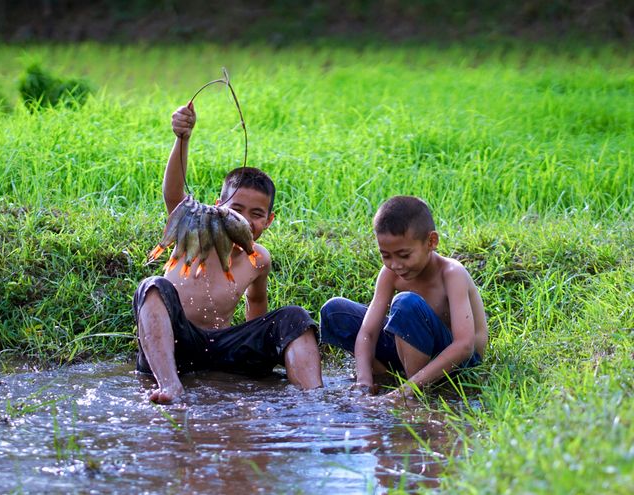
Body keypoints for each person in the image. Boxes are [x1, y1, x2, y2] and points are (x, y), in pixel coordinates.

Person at [134, 102, 323, 403]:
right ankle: (169, 384)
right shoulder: (198, 231)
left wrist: (257, 343)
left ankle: (313, 398)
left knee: (294, 317)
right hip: (177, 345)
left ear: (269, 220)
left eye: (256, 213)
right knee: (152, 286)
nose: (245, 220)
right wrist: (182, 138)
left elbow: (257, 306)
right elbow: (173, 194)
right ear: (216, 207)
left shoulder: (258, 258)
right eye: (236, 209)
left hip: (221, 349)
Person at [320, 195, 487, 401]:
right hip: (410, 351)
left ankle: (413, 392)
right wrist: (363, 381)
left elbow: (464, 345)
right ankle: (388, 378)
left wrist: (406, 390)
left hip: (457, 363)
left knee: (406, 303)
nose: (396, 265)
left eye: (404, 255)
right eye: (386, 255)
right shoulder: (390, 274)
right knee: (335, 311)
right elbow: (368, 332)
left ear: (431, 242)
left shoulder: (452, 273)